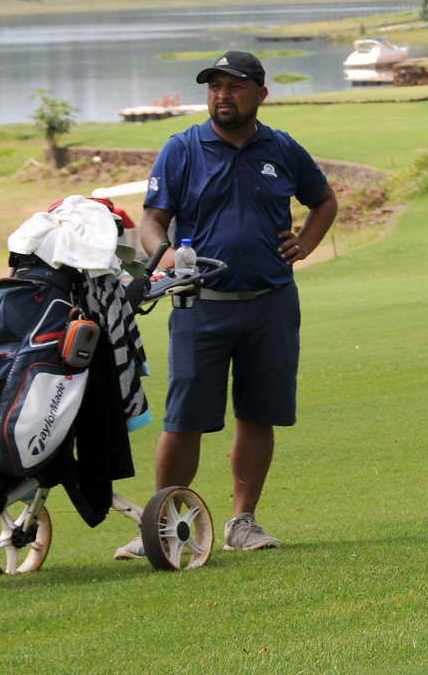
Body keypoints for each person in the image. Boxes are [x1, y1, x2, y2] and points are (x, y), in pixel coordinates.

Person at [114, 50, 338, 558]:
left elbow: (324, 200)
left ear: (261, 94)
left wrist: (305, 243)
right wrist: (163, 255)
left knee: (259, 414)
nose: (222, 95)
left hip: (270, 303)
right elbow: (152, 220)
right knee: (184, 419)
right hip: (201, 305)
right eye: (215, 86)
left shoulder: (282, 148)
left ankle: (243, 522)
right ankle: (163, 522)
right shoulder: (182, 149)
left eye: (234, 86)